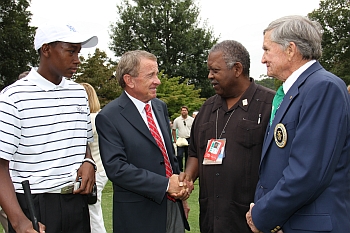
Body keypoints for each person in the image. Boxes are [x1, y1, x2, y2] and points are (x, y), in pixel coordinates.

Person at [246, 15, 350, 233]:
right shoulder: (294, 91)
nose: (263, 59)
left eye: (266, 50)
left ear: (291, 49)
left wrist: (262, 214)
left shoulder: (323, 88)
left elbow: (308, 173)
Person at [0, 22, 98, 233]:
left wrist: (88, 160)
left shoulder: (79, 94)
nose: (77, 59)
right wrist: (18, 221)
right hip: (34, 204)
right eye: (71, 51)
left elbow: (82, 144)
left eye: (78, 52)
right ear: (46, 49)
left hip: (76, 202)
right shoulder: (13, 97)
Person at [183, 40, 275, 232]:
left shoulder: (270, 104)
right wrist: (188, 177)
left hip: (250, 220)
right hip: (211, 219)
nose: (210, 76)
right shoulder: (207, 108)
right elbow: (194, 153)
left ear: (237, 69)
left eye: (215, 70)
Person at [95, 50, 190, 233]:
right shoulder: (109, 117)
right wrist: (165, 185)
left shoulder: (160, 107)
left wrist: (181, 194)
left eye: (157, 74)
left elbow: (168, 155)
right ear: (129, 80)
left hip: (172, 207)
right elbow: (117, 168)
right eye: (151, 75)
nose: (158, 81)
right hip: (138, 216)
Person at [80, 83, 108, 233]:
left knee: (92, 213)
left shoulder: (89, 120)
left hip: (93, 171)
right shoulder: (100, 117)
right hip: (101, 169)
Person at [172, 106, 194, 172]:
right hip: (181, 139)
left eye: (185, 110)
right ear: (181, 111)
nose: (184, 111)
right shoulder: (177, 120)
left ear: (187, 111)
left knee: (188, 156)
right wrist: (175, 139)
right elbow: (173, 129)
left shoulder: (191, 120)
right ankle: (179, 169)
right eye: (182, 110)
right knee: (179, 155)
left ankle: (187, 170)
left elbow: (194, 129)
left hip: (189, 139)